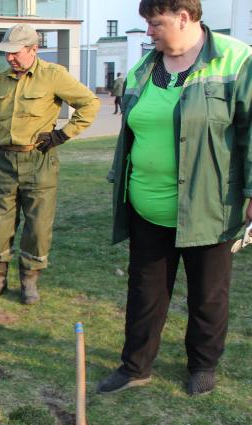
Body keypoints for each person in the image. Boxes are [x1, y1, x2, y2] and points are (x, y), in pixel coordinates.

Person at [97, 0, 252, 396]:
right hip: (147, 207)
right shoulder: (143, 70)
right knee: (145, 291)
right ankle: (136, 365)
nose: (149, 31)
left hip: (209, 208)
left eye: (155, 23)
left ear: (184, 17)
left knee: (207, 293)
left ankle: (203, 365)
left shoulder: (236, 60)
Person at [0, 23, 99, 305]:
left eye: (15, 53)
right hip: (4, 160)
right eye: (6, 53)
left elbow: (90, 104)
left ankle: (29, 280)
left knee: (38, 226)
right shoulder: (0, 81)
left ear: (34, 49)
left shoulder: (53, 75)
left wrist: (62, 135)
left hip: (39, 161)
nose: (9, 58)